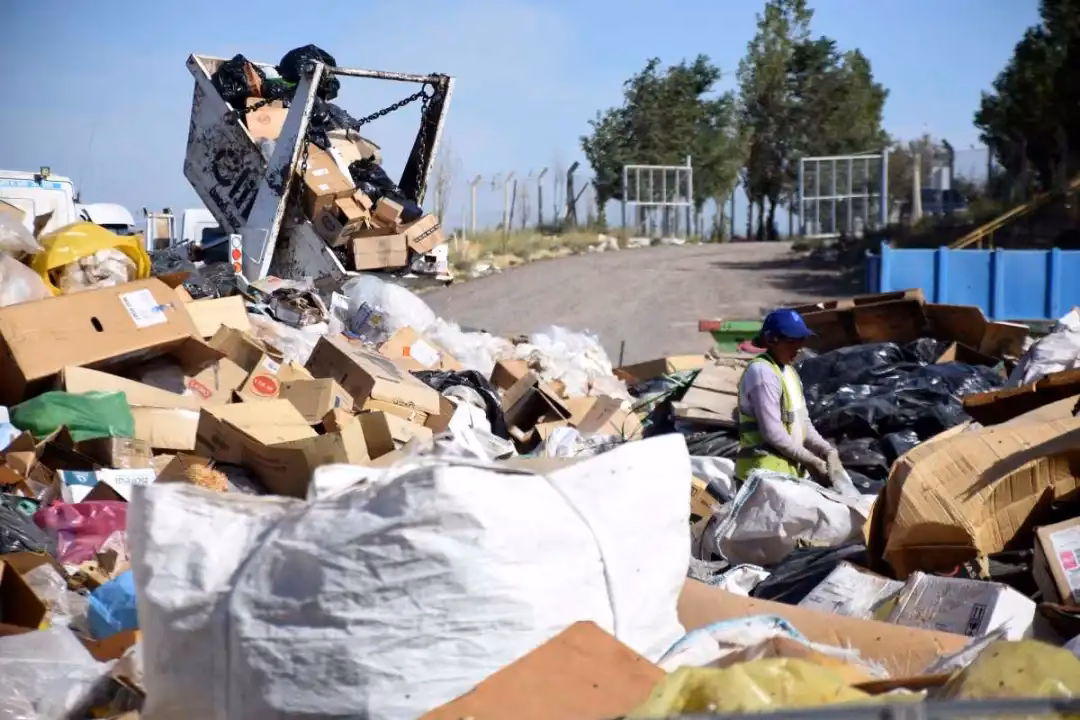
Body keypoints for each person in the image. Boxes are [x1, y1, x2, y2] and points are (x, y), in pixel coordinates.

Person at [735, 308, 841, 484]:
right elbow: (772, 433)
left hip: (785, 477)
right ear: (771, 340)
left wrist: (827, 451)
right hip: (762, 477)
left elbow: (803, 423)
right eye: (792, 342)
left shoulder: (790, 373)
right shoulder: (762, 373)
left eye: (801, 341)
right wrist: (812, 461)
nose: (799, 348)